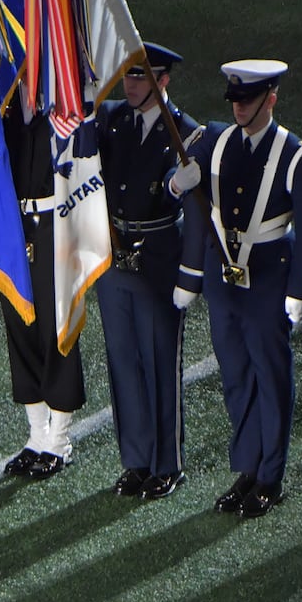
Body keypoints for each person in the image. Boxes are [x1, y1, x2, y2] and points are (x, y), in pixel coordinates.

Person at [167, 59, 302, 517]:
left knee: (270, 379)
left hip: (268, 278)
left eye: (248, 100)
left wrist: (299, 291)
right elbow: (182, 196)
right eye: (234, 99)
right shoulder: (213, 142)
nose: (239, 108)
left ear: (270, 98)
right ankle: (248, 468)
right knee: (235, 376)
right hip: (223, 280)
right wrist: (178, 184)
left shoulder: (296, 154)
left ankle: (270, 476)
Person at [97, 42, 197, 500]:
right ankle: (136, 461)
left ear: (164, 81)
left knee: (159, 361)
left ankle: (166, 463)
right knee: (123, 361)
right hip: (115, 253)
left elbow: (192, 205)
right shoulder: (113, 120)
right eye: (128, 77)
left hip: (158, 256)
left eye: (142, 78)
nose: (132, 85)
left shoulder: (184, 133)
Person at [0, 93, 86, 480]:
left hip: (56, 225)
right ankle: (36, 436)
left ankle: (60, 441)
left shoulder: (61, 102)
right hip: (14, 227)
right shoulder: (5, 105)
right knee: (21, 328)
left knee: (57, 329)